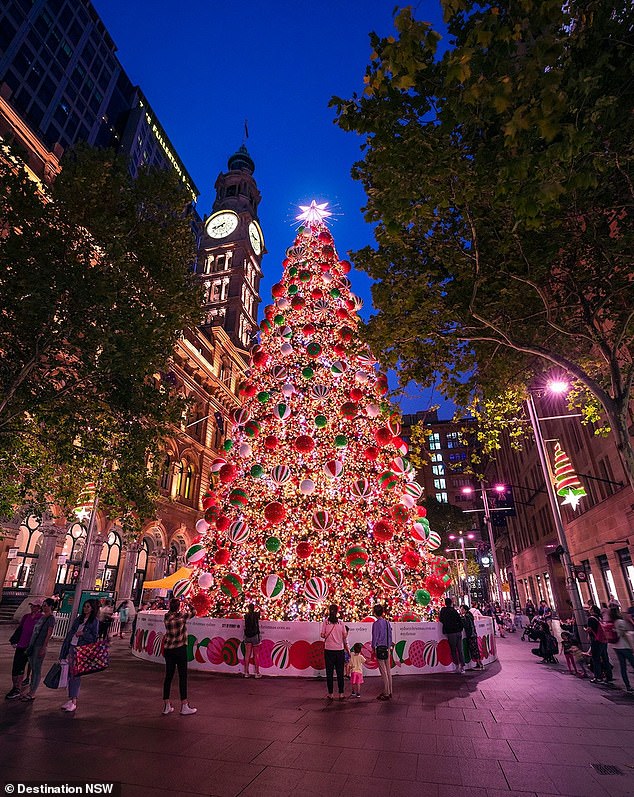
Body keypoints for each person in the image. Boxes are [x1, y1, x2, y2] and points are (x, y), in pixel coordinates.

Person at [59, 599, 100, 712]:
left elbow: (94, 638)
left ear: (92, 608)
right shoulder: (78, 619)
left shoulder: (94, 621)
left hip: (81, 650)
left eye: (88, 606)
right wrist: (64, 652)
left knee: (75, 675)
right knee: (69, 674)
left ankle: (74, 701)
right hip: (72, 647)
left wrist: (83, 634)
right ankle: (71, 698)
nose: (85, 608)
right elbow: (70, 634)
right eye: (85, 606)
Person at [162, 597, 197, 716]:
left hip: (168, 649)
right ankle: (184, 705)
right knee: (182, 677)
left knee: (168, 677)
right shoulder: (182, 617)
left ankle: (167, 705)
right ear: (178, 607)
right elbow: (194, 611)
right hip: (180, 649)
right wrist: (188, 603)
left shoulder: (167, 617)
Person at [21, 598, 56, 701]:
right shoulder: (41, 617)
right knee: (32, 666)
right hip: (33, 644)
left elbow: (49, 633)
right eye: (43, 605)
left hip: (40, 645)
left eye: (46, 605)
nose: (44, 607)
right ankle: (30, 690)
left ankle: (32, 692)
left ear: (51, 607)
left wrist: (44, 647)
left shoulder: (50, 618)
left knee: (36, 669)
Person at [6, 602, 42, 700]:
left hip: (31, 646)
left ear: (39, 607)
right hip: (21, 645)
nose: (32, 608)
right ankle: (15, 686)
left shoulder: (41, 618)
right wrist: (14, 640)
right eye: (31, 606)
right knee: (16, 667)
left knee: (24, 666)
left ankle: (19, 687)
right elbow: (20, 629)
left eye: (34, 606)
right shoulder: (26, 617)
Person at [320, 604, 349, 701]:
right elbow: (345, 636)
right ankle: (341, 694)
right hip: (339, 650)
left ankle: (331, 694)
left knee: (329, 673)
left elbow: (322, 635)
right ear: (337, 612)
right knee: (340, 673)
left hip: (328, 650)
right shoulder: (341, 623)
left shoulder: (325, 622)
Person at [609, 607, 634, 692]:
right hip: (624, 646)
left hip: (616, 646)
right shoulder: (621, 622)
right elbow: (625, 635)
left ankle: (628, 685)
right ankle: (628, 686)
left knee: (623, 667)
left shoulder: (612, 623)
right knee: (632, 663)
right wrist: (632, 647)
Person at [585, 607, 612, 684]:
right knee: (605, 657)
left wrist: (585, 630)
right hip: (603, 639)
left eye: (590, 609)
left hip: (596, 640)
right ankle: (609, 676)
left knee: (596, 658)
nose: (589, 610)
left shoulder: (591, 619)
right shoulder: (600, 617)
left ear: (592, 610)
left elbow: (589, 629)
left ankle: (598, 677)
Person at [371, 603, 393, 700]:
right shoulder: (387, 623)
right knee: (388, 671)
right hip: (387, 648)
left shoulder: (376, 624)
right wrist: (389, 647)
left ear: (375, 612)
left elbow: (375, 636)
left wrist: (373, 647)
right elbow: (390, 636)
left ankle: (386, 693)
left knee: (383, 672)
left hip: (380, 648)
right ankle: (389, 691)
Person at [439, 597, 464, 673]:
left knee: (453, 650)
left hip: (451, 633)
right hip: (458, 632)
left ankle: (457, 666)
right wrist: (460, 628)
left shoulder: (443, 610)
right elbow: (460, 620)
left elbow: (441, 619)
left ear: (445, 603)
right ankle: (462, 667)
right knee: (460, 650)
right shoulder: (454, 611)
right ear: (451, 603)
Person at [461, 604, 483, 669]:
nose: (461, 610)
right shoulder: (469, 615)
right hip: (473, 634)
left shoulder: (467, 616)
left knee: (474, 649)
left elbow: (466, 625)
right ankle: (479, 663)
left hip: (471, 635)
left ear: (465, 610)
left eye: (462, 609)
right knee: (475, 649)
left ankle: (480, 664)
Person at [243, 603, 261, 678]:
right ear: (254, 608)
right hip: (254, 636)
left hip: (247, 636)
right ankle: (257, 673)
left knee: (247, 654)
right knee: (256, 655)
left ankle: (246, 672)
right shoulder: (256, 614)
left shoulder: (246, 616)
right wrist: (258, 606)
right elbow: (264, 611)